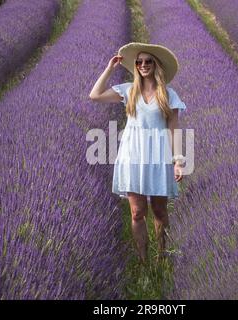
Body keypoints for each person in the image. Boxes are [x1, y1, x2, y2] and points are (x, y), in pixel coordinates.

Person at [89, 42, 187, 264]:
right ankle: (144, 262)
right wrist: (109, 68)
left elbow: (174, 129)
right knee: (137, 213)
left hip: (158, 157)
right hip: (132, 155)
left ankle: (162, 258)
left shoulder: (169, 95)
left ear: (156, 65)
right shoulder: (128, 90)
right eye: (139, 62)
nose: (143, 65)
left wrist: (178, 161)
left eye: (148, 61)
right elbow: (94, 95)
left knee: (160, 211)